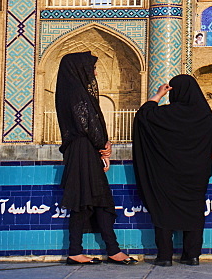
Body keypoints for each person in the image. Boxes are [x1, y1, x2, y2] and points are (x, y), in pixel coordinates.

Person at [55, 51, 135, 265]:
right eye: (92, 68)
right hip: (83, 151)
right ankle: (85, 251)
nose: (96, 73)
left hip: (82, 151)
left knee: (94, 200)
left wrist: (100, 147)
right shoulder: (76, 93)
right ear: (80, 69)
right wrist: (103, 145)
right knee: (86, 201)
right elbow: (87, 123)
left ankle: (106, 249)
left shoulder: (69, 91)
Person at [132, 75, 212, 266]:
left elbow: (143, 115)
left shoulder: (166, 115)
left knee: (164, 211)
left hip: (166, 174)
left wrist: (158, 95)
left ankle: (165, 256)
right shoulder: (205, 115)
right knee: (194, 211)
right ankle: (192, 255)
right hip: (196, 174)